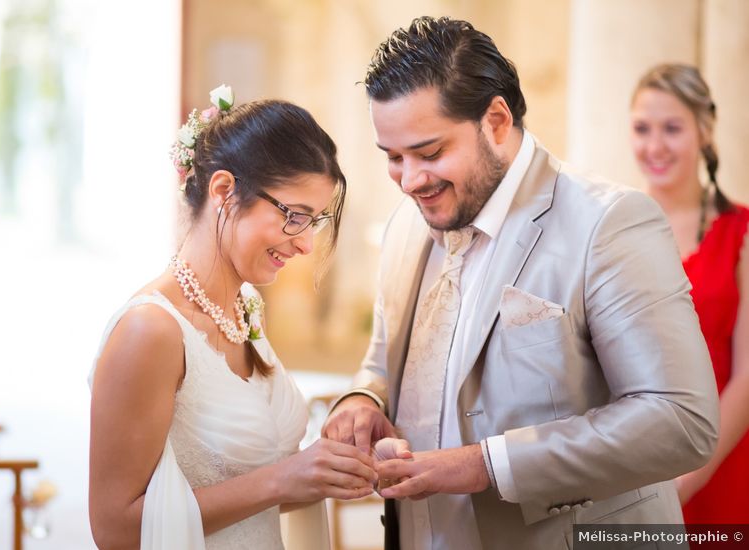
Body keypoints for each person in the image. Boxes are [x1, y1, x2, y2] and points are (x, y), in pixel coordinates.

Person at [322, 16, 720, 550]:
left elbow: (680, 420)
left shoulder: (609, 222)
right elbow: (382, 365)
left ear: (497, 120)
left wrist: (486, 464)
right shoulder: (404, 227)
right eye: (394, 158)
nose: (410, 181)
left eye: (431, 152)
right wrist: (360, 402)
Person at [88, 88, 376, 550]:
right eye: (294, 216)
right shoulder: (150, 330)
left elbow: (249, 485)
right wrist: (283, 481)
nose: (305, 244)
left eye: (315, 221)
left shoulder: (244, 311)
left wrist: (334, 466)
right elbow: (115, 529)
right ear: (224, 190)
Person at [631, 63, 749, 523]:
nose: (654, 146)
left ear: (704, 132)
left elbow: (747, 375)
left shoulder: (740, 233)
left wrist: (687, 480)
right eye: (642, 128)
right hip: (633, 463)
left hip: (724, 461)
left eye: (672, 128)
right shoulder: (608, 230)